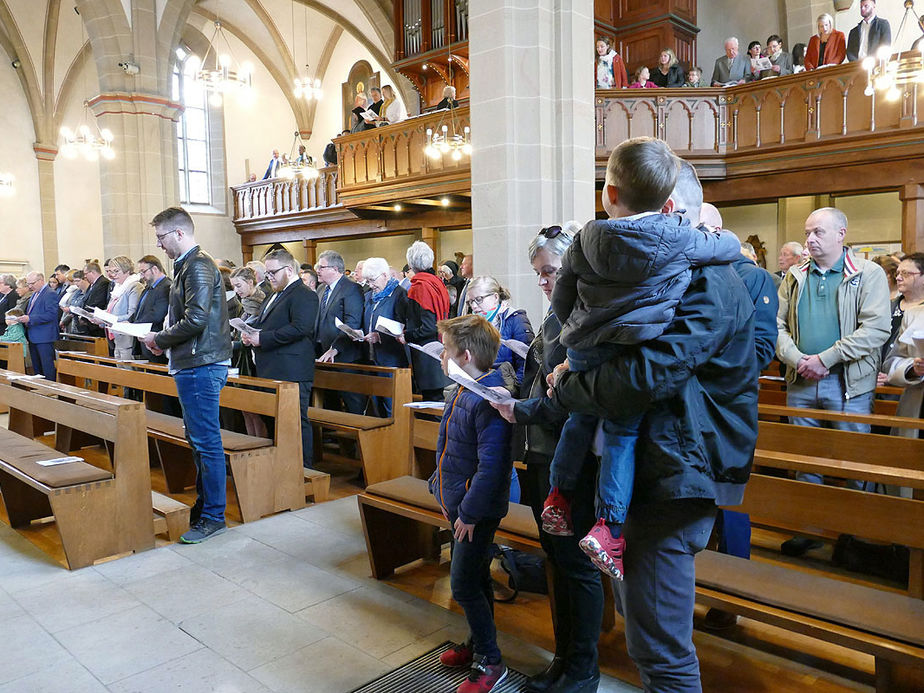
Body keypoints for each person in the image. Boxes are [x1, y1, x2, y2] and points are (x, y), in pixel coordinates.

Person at [548, 146, 759, 691]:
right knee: (645, 637)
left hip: (674, 476)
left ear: (674, 218)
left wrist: (570, 386)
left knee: (660, 649)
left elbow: (644, 377)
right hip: (646, 471)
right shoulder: (662, 275)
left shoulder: (713, 283)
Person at [541, 138, 741, 581]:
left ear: (609, 194)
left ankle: (558, 492)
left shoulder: (588, 235)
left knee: (578, 421)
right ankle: (609, 524)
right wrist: (725, 240)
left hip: (585, 343)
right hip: (634, 342)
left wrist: (577, 328)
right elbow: (723, 247)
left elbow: (562, 294)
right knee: (621, 433)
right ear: (669, 202)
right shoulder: (680, 238)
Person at [490, 221, 606, 693]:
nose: (542, 282)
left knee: (576, 565)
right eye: (538, 274)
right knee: (556, 559)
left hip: (571, 458)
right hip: (541, 451)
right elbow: (541, 377)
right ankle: (563, 660)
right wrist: (502, 381)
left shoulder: (588, 317)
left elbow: (577, 398)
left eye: (550, 272)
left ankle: (583, 670)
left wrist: (519, 408)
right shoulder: (556, 317)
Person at [775, 207, 890, 556]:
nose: (810, 239)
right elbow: (776, 327)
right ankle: (811, 529)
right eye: (807, 232)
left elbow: (875, 330)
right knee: (805, 460)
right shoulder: (794, 275)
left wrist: (826, 359)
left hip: (848, 383)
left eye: (818, 232)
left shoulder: (867, 274)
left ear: (841, 234)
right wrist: (797, 359)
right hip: (802, 381)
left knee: (852, 461)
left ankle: (853, 536)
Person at [431, 314, 513, 693]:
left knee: (463, 585)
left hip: (474, 511)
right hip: (460, 503)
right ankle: (478, 644)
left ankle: (491, 661)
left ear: (464, 355)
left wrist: (468, 513)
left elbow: (492, 466)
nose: (441, 357)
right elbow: (451, 446)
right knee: (477, 578)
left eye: (445, 350)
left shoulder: (488, 398)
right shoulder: (465, 388)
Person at [141, 207, 232, 544]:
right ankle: (206, 506)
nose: (160, 245)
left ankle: (213, 517)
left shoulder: (197, 266)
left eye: (162, 237)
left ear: (179, 233)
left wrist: (159, 339)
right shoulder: (187, 266)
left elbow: (196, 320)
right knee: (198, 441)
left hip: (201, 364)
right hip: (194, 362)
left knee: (207, 442)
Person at [243, 248, 319, 468]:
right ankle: (284, 466)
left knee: (295, 421)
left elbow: (300, 328)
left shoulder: (304, 294)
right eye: (267, 273)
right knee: (276, 421)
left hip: (292, 369)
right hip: (271, 367)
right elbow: (267, 323)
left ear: (288, 269)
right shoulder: (274, 294)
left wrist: (262, 339)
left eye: (272, 273)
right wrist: (251, 333)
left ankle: (304, 470)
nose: (269, 278)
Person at [315, 249, 366, 414]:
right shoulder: (321, 289)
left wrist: (335, 348)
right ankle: (335, 439)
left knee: (352, 403)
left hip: (345, 355)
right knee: (330, 403)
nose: (317, 270)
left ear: (335, 269)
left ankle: (357, 439)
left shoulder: (351, 288)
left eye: (321, 267)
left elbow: (352, 323)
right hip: (323, 354)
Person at [400, 240, 451, 401]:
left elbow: (429, 327)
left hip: (426, 355)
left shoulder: (419, 286)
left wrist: (406, 336)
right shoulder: (436, 281)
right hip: (439, 348)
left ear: (411, 264)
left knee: (431, 405)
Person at [361, 257, 409, 417]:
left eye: (372, 280)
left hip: (391, 357)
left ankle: (394, 440)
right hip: (371, 356)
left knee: (391, 404)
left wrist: (380, 336)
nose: (370, 284)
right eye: (367, 280)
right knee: (376, 403)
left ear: (384, 275)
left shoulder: (399, 294)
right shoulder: (368, 296)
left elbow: (403, 325)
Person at [465, 276, 534, 386]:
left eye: (478, 299)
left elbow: (527, 364)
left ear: (495, 297)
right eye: (470, 302)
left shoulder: (515, 319)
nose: (474, 306)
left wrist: (513, 391)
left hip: (504, 390)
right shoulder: (472, 322)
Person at [882, 253, 924, 364]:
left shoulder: (921, 310)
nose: (898, 278)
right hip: (879, 374)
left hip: (910, 375)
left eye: (905, 274)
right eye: (898, 273)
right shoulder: (887, 306)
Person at [17, 272, 59, 379]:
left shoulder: (50, 293)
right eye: (28, 284)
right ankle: (40, 390)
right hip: (33, 334)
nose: (30, 286)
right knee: (37, 368)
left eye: (32, 283)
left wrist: (30, 318)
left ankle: (51, 391)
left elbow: (51, 314)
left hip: (44, 336)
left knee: (47, 367)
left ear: (41, 280)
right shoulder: (35, 293)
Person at [101, 256, 143, 360]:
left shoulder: (134, 286)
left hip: (127, 338)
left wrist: (110, 319)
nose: (112, 275)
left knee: (129, 371)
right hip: (116, 337)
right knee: (119, 371)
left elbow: (132, 315)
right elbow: (112, 310)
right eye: (110, 271)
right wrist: (100, 316)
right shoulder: (118, 287)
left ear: (127, 270)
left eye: (116, 271)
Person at [133, 256, 171, 364]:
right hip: (145, 342)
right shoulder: (149, 287)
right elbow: (139, 311)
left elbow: (157, 314)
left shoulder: (166, 287)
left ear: (154, 269)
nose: (142, 276)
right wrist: (128, 322)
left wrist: (133, 324)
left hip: (156, 343)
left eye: (143, 272)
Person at [78, 261, 111, 336]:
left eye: (86, 274)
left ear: (92, 272)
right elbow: (86, 300)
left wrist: (85, 317)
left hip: (96, 325)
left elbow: (98, 303)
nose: (85, 277)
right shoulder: (93, 284)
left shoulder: (103, 283)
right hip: (90, 324)